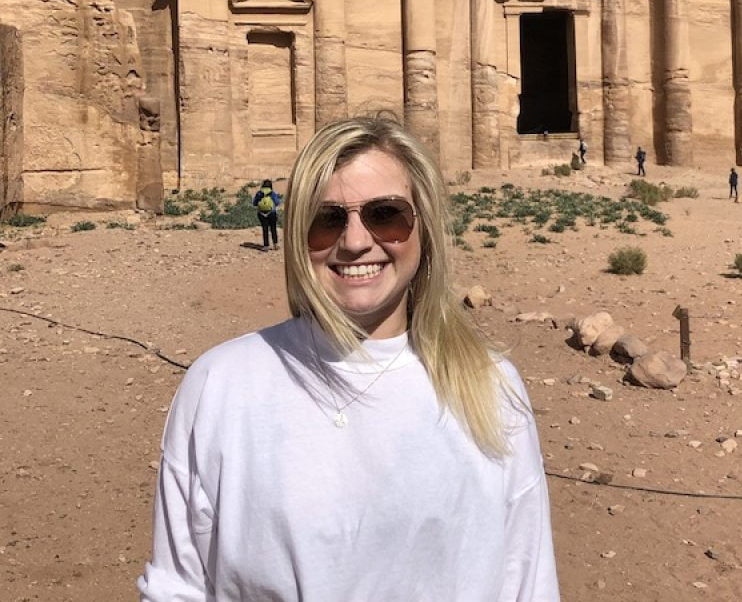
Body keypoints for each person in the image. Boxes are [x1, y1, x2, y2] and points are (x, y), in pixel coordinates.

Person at [140, 113, 559, 601]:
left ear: (424, 228)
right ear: (298, 233)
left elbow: (527, 584)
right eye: (327, 219)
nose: (356, 242)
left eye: (386, 214)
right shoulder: (222, 385)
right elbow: (177, 588)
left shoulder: (490, 385)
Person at [252, 177, 282, 251]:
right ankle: (275, 245)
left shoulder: (259, 193)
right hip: (272, 213)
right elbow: (277, 202)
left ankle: (266, 246)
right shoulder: (272, 193)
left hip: (261, 213)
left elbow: (254, 203)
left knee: (265, 229)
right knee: (273, 228)